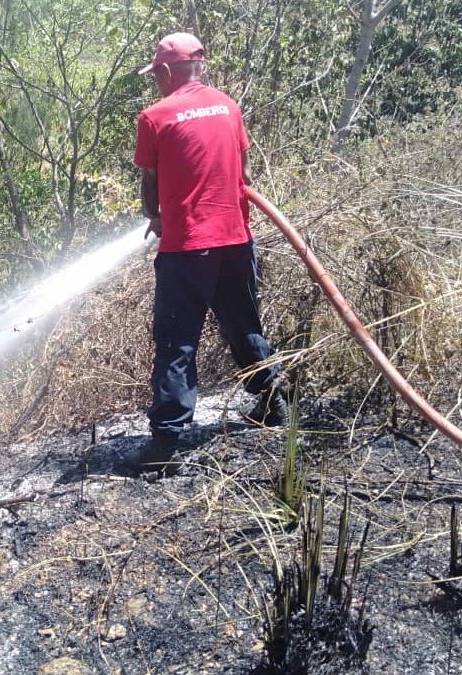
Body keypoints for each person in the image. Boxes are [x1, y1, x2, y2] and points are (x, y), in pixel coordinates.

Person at [133, 32, 288, 469]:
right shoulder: (228, 106)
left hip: (187, 249)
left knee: (176, 341)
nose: (155, 83)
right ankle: (275, 403)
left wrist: (155, 216)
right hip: (236, 240)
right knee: (243, 325)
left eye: (155, 75)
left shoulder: (155, 116)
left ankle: (165, 444)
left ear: (165, 71)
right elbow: (244, 172)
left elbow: (150, 184)